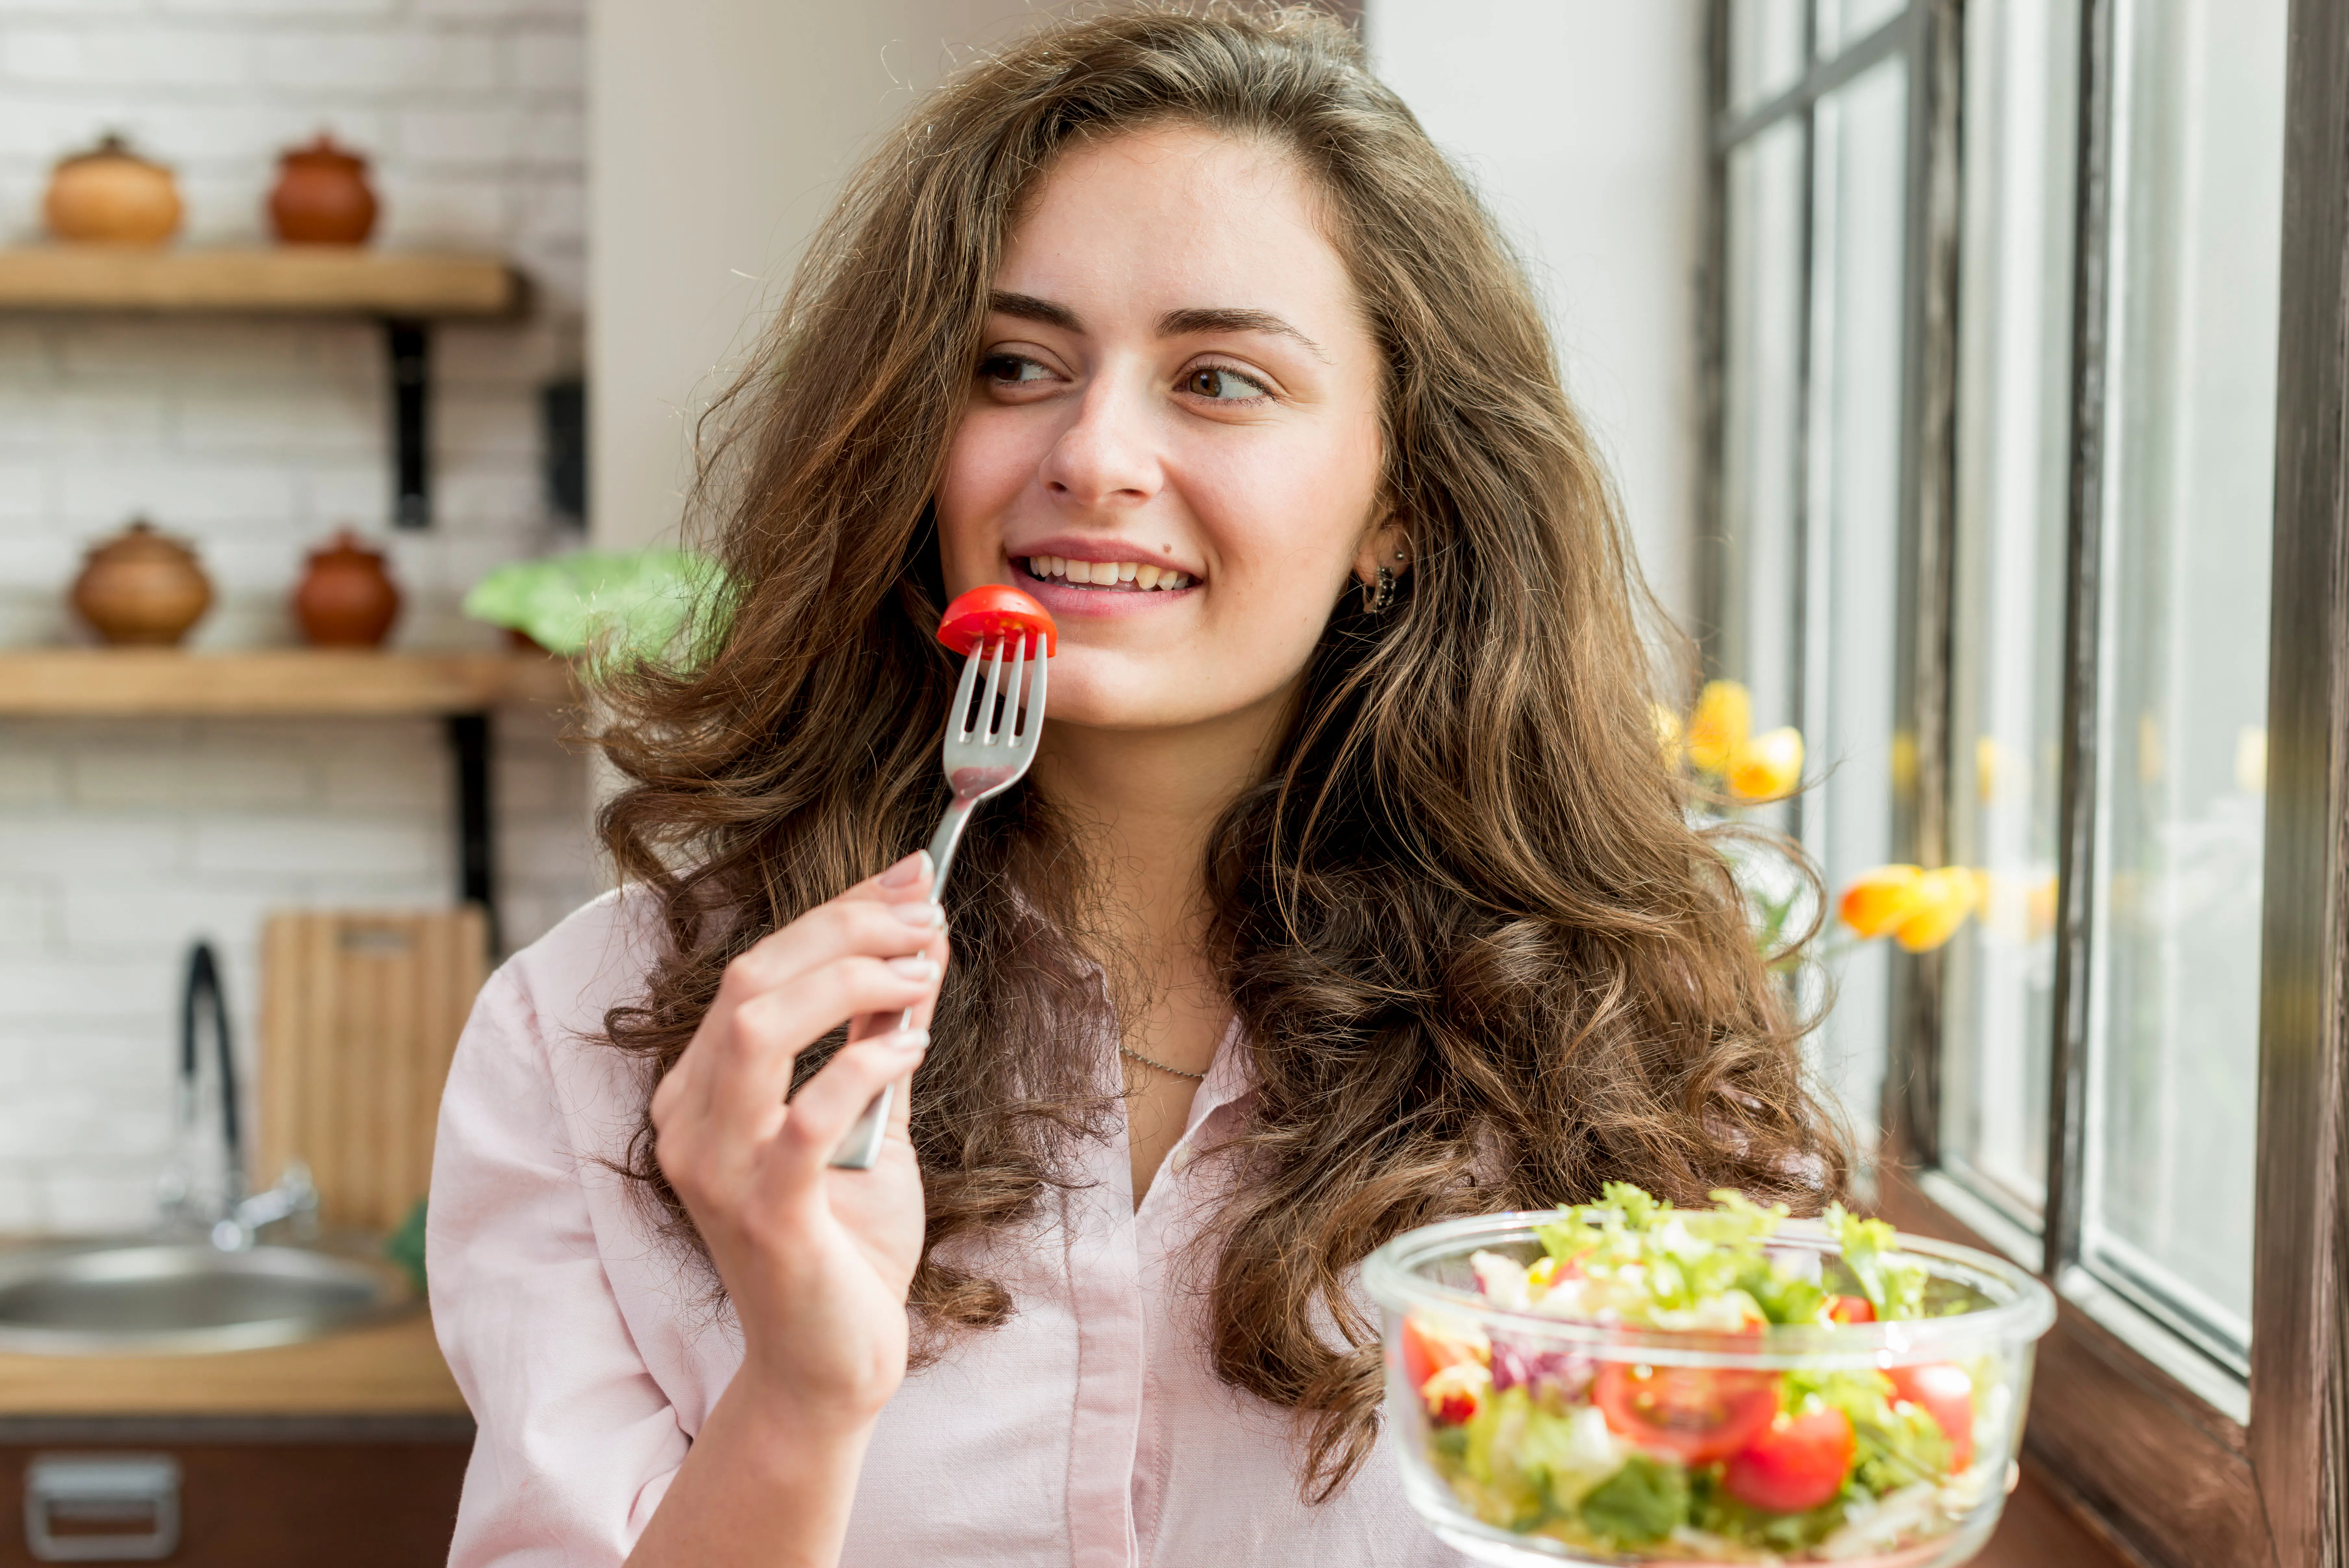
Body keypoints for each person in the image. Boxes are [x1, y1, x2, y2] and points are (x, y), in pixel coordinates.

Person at [427, 7, 1845, 1565]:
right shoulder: (593, 1041)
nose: (1095, 453)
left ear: (1406, 503)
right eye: (1015, 364)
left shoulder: (1626, 1047)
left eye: (1222, 379)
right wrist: (798, 1399)